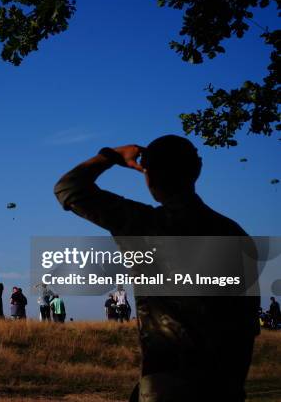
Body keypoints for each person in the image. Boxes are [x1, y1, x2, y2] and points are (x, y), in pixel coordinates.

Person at [54, 135, 260, 402]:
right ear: (197, 168)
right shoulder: (236, 236)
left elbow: (69, 187)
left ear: (148, 175)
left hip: (166, 383)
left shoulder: (143, 225)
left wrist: (111, 156)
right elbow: (244, 326)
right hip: (223, 385)